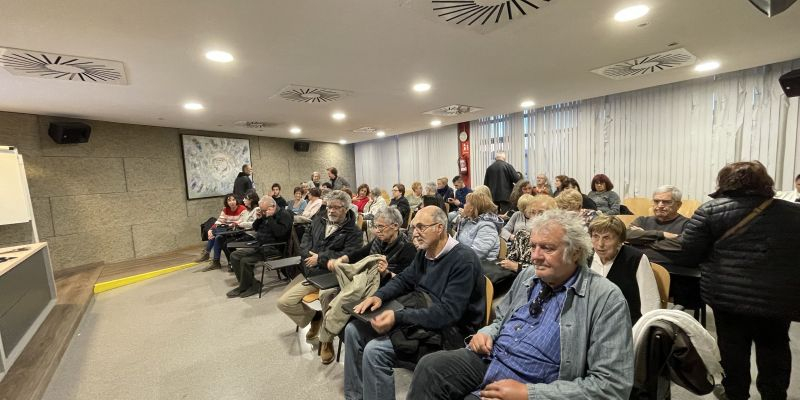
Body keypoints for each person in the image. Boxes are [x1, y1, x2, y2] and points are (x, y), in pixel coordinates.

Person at [407, 209, 634, 400]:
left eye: (547, 248)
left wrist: (530, 393)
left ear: (575, 253)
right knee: (430, 366)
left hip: (537, 380)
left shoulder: (605, 298)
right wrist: (487, 332)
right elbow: (500, 319)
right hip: (494, 357)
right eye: (533, 246)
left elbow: (613, 386)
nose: (535, 256)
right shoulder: (528, 277)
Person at [682, 161, 800, 400]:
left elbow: (689, 253)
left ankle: (736, 395)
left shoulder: (710, 211)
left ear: (724, 181)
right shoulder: (793, 212)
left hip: (728, 299)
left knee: (733, 352)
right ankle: (774, 395)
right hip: (778, 300)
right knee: (775, 349)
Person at [343, 206, 485, 400]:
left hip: (449, 332)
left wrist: (397, 317)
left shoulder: (464, 260)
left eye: (421, 227)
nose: (415, 233)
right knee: (353, 330)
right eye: (413, 227)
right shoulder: (425, 253)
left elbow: (448, 314)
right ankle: (355, 397)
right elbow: (404, 279)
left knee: (375, 351)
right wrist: (378, 296)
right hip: (422, 314)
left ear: (440, 228)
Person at [318, 207, 416, 364]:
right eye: (375, 226)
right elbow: (360, 253)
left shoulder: (408, 249)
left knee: (341, 302)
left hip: (384, 292)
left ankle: (329, 335)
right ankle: (327, 339)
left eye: (381, 227)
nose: (377, 231)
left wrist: (387, 274)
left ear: (396, 226)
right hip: (365, 284)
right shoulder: (378, 241)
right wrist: (342, 260)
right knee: (325, 294)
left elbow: (406, 281)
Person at [276, 190, 363, 341]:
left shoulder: (353, 231)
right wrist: (309, 256)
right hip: (311, 272)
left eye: (336, 207)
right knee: (284, 303)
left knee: (326, 298)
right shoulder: (319, 220)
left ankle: (326, 340)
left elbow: (350, 256)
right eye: (329, 206)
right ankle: (315, 317)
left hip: (333, 275)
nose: (331, 210)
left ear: (346, 209)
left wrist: (321, 258)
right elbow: (305, 241)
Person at [589, 215, 660, 324]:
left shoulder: (635, 259)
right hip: (591, 322)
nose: (600, 244)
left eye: (607, 238)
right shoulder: (585, 257)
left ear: (620, 240)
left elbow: (650, 303)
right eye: (595, 236)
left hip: (625, 323)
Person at [226, 197, 293, 298]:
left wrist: (270, 218)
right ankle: (248, 285)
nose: (263, 212)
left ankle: (250, 286)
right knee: (234, 255)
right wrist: (259, 219)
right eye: (261, 210)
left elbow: (280, 233)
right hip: (260, 246)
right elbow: (255, 228)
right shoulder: (265, 213)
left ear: (273, 206)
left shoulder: (284, 215)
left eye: (264, 210)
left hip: (273, 248)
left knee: (245, 261)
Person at [196, 193, 246, 269]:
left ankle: (207, 253)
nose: (231, 202)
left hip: (237, 231)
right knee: (217, 236)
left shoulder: (242, 208)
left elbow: (242, 222)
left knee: (217, 235)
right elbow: (219, 221)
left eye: (233, 200)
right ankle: (215, 261)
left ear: (236, 200)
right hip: (226, 231)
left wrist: (229, 225)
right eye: (229, 200)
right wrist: (211, 229)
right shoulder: (225, 209)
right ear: (226, 202)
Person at [217, 190, 261, 268]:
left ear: (251, 200)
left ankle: (233, 263)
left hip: (251, 235)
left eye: (245, 198)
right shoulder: (247, 210)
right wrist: (237, 223)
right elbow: (242, 220)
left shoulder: (257, 210)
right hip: (244, 232)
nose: (243, 200)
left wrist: (241, 224)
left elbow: (255, 224)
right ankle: (232, 263)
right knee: (223, 241)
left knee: (227, 244)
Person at [455, 192, 503, 261]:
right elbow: (456, 243)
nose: (463, 205)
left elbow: (477, 253)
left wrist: (454, 258)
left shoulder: (487, 226)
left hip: (481, 265)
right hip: (466, 261)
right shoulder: (469, 221)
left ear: (471, 208)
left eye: (465, 203)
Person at [483, 150, 519, 214]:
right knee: (507, 216)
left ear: (496, 158)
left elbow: (485, 184)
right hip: (506, 197)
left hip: (493, 196)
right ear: (504, 158)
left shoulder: (489, 168)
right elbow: (517, 180)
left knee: (494, 216)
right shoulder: (508, 166)